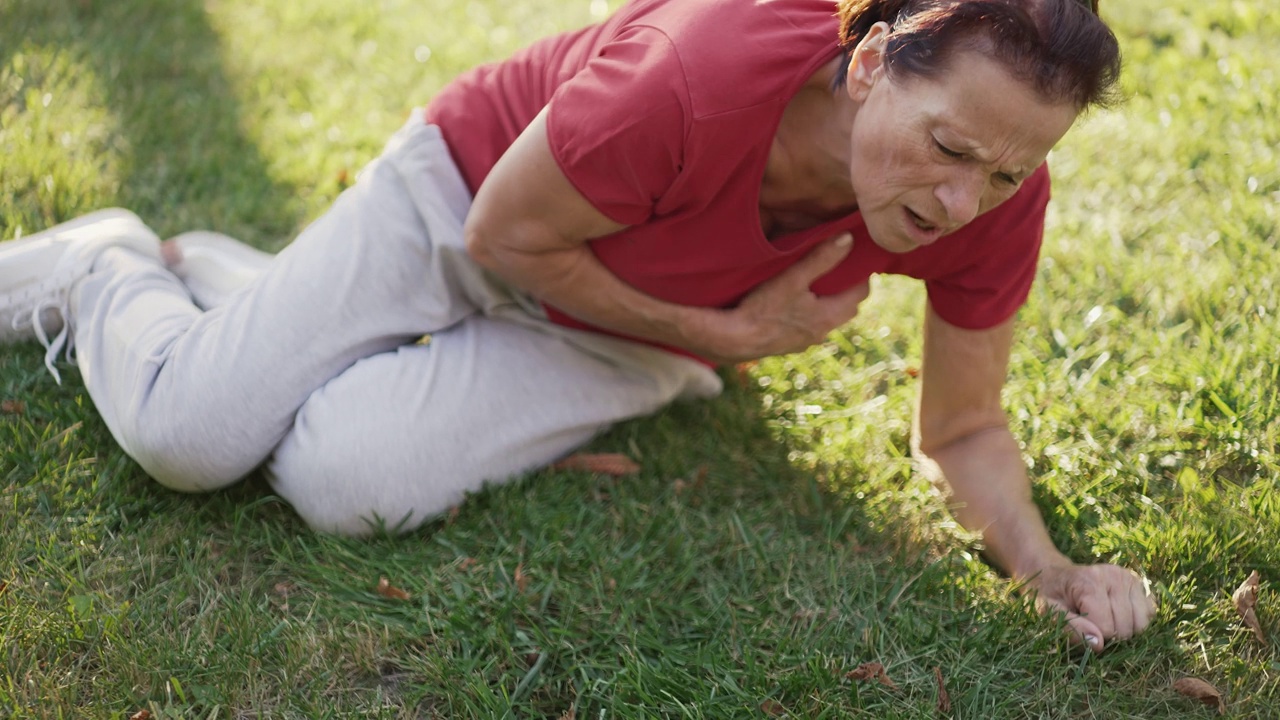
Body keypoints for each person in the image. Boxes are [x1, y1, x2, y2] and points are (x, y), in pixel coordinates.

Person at [0, 0, 1155, 650]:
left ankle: (246, 296)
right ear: (866, 66)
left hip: (612, 333)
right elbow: (505, 240)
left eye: (1006, 174)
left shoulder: (992, 195)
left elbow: (959, 428)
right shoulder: (697, 71)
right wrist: (721, 336)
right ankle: (100, 265)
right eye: (949, 150)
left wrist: (1046, 568)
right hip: (463, 201)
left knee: (342, 479)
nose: (962, 201)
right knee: (191, 438)